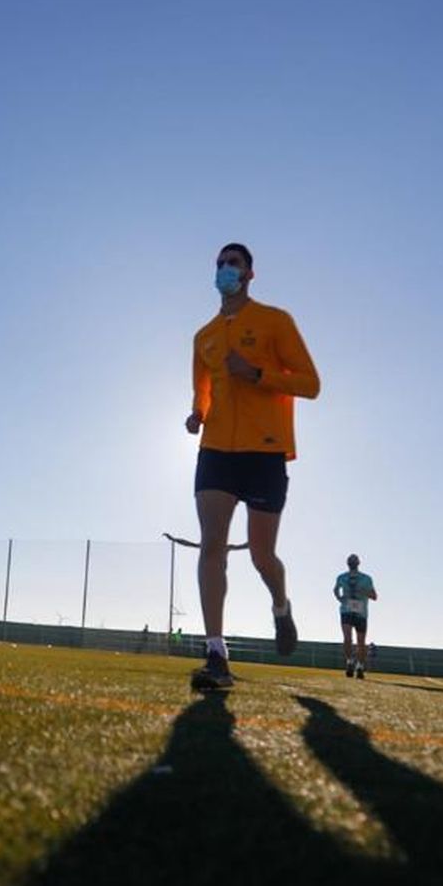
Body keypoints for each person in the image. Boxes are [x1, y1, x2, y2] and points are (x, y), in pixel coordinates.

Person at [186, 243, 321, 690]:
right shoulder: (202, 336)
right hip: (216, 453)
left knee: (262, 556)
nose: (226, 269)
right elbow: (202, 391)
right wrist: (197, 415)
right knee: (212, 547)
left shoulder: (274, 321)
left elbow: (311, 384)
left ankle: (280, 607)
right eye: (220, 263)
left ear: (250, 273)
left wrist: (258, 375)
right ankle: (215, 654)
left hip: (265, 453)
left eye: (234, 263)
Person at [334, 554, 377, 679]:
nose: (352, 562)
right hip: (346, 610)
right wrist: (339, 597)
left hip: (361, 612)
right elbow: (335, 589)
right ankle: (349, 662)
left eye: (354, 560)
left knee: (361, 641)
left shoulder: (366, 578)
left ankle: (360, 666)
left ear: (358, 563)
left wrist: (364, 592)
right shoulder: (342, 577)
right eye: (350, 561)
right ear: (348, 563)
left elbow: (374, 596)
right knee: (347, 637)